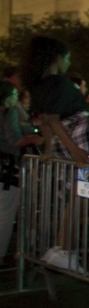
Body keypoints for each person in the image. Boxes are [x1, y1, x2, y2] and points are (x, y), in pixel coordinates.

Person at [25, 36, 89, 273]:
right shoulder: (59, 83)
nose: (69, 63)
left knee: (79, 196)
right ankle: (65, 250)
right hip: (79, 135)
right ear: (57, 58)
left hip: (67, 138)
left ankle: (61, 248)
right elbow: (51, 120)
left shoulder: (38, 84)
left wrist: (50, 150)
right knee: (85, 195)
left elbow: (46, 121)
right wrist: (77, 152)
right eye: (67, 58)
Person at [0, 81, 43, 263]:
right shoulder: (8, 113)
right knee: (5, 215)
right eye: (15, 96)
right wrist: (36, 139)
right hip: (6, 170)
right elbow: (15, 140)